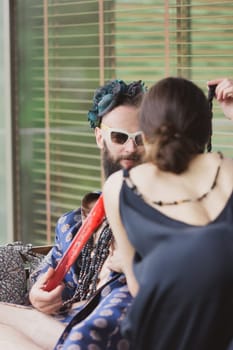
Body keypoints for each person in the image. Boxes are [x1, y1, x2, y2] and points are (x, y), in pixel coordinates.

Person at [0, 79, 146, 349]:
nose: (131, 148)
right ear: (100, 137)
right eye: (119, 137)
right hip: (62, 327)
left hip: (104, 334)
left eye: (140, 138)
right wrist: (37, 296)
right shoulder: (73, 224)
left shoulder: (163, 214)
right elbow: (46, 280)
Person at [103, 76, 233, 350]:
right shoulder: (229, 169)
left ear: (145, 133)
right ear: (206, 129)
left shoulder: (121, 186)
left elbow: (138, 286)